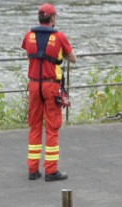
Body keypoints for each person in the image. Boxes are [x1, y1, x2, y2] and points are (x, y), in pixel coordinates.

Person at [22, 2, 76, 182]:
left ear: (39, 18)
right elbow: (73, 58)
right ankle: (51, 171)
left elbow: (29, 52)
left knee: (34, 125)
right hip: (51, 86)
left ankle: (32, 169)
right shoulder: (59, 36)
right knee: (52, 127)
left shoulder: (28, 36)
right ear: (52, 19)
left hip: (34, 85)